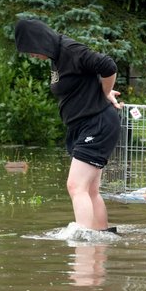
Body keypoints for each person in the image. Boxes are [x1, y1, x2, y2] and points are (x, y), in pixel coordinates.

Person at [15, 19, 122, 232]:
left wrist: (105, 92)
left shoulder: (70, 50)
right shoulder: (56, 58)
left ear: (40, 40)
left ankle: (82, 241)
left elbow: (108, 66)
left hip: (97, 123)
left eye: (31, 50)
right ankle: (100, 243)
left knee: (76, 186)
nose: (32, 56)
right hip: (84, 125)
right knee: (90, 190)